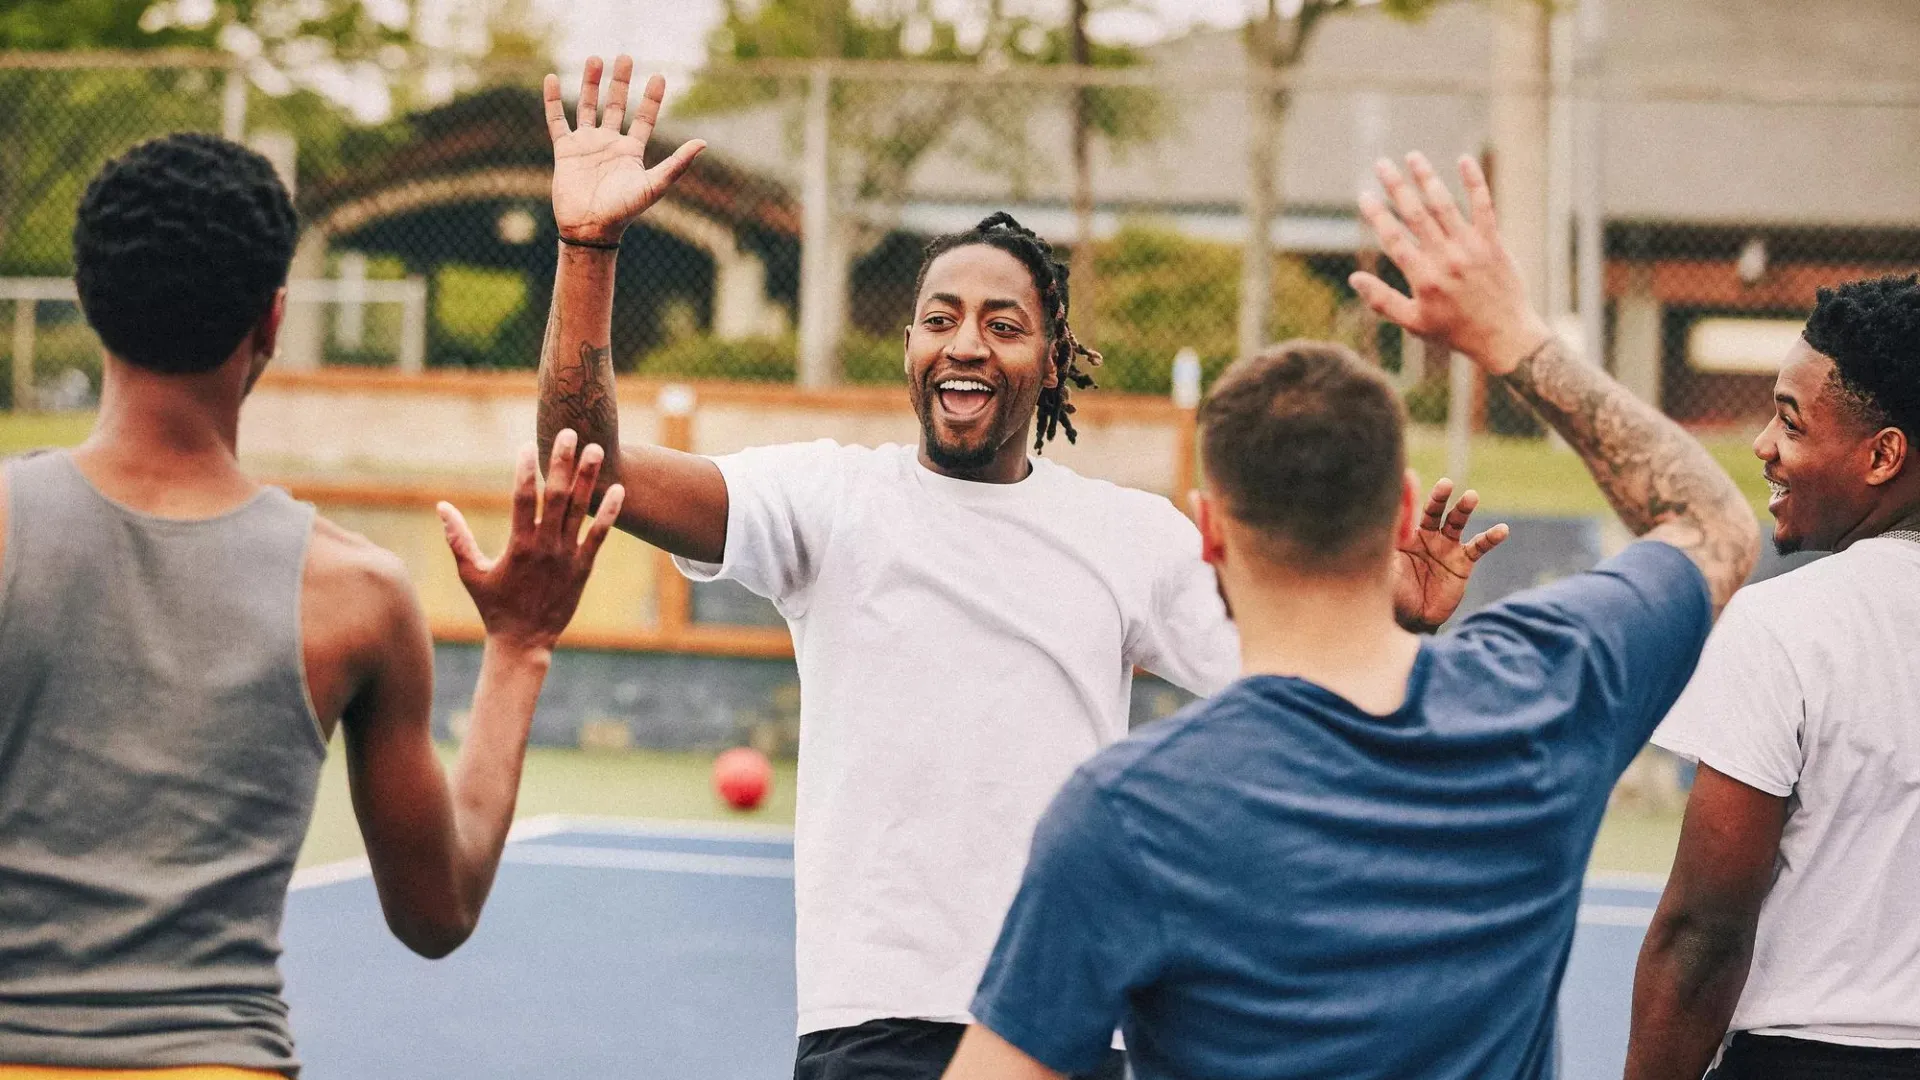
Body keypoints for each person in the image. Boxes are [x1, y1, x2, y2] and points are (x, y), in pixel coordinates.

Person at [534, 61, 1509, 1080]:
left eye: (1004, 325)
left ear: (1052, 359)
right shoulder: (827, 502)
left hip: (1067, 1021)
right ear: (909, 344)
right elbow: (582, 454)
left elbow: (1301, 692)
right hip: (871, 1020)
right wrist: (588, 246)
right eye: (940, 317)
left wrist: (1386, 617)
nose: (966, 344)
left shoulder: (1131, 534)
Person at [938, 152, 1760, 1080]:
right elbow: (1714, 523)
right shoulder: (1542, 696)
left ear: (1209, 531)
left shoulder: (1125, 813)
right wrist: (1513, 339)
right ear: (1406, 512)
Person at [0, 133, 625, 1077]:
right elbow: (438, 911)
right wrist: (521, 643)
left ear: (86, 301)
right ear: (273, 320)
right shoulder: (356, 593)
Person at [1626, 275, 1920, 1080]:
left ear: (1883, 455)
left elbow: (1702, 937)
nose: (1761, 444)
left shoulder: (1787, 626)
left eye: (1789, 420)